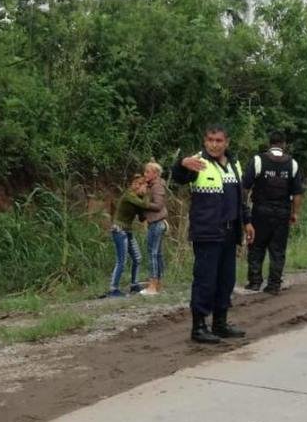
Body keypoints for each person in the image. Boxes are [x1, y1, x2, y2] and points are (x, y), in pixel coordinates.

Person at [172, 125, 254, 343]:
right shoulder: (197, 162)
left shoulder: (234, 164)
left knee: (226, 280)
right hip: (207, 232)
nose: (214, 144)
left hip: (230, 232)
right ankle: (198, 327)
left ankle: (220, 323)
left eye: (219, 140)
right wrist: (180, 164)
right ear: (205, 141)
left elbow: (240, 198)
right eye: (210, 140)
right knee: (205, 281)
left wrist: (247, 222)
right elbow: (179, 177)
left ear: (227, 142)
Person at [242, 131, 304, 294]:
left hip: (260, 212)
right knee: (278, 249)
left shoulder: (258, 160)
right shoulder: (293, 163)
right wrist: (295, 213)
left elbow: (245, 187)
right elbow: (298, 193)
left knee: (256, 246)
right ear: (284, 144)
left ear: (269, 143)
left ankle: (255, 282)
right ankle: (274, 284)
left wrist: (244, 208)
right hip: (282, 213)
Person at [107, 175, 151, 298]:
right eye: (145, 187)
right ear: (138, 185)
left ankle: (134, 284)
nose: (146, 190)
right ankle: (113, 289)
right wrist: (147, 195)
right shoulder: (129, 195)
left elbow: (142, 217)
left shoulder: (136, 198)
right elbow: (145, 205)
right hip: (119, 230)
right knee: (121, 261)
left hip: (128, 231)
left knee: (137, 258)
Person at [139, 161, 168, 296]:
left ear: (155, 174)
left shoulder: (157, 187)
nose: (145, 174)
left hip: (157, 223)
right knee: (157, 253)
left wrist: (143, 203)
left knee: (153, 253)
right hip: (154, 223)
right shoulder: (152, 186)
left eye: (147, 172)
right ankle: (157, 283)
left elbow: (158, 205)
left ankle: (153, 285)